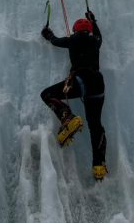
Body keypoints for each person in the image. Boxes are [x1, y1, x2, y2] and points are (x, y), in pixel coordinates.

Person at [40, 12, 108, 180]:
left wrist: (47, 33)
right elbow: (99, 35)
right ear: (89, 29)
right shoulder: (95, 41)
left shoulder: (73, 40)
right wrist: (94, 20)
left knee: (47, 94)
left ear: (76, 29)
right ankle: (99, 166)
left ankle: (67, 117)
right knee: (95, 126)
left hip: (80, 81)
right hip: (98, 86)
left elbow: (55, 41)